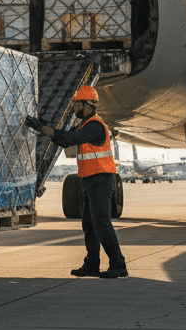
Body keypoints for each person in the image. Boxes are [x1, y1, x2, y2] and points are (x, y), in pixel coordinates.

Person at [26, 85, 128, 278]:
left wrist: (44, 130)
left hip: (101, 180)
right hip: (90, 181)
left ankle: (118, 264)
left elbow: (70, 139)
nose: (74, 108)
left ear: (86, 104)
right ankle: (92, 264)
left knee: (102, 224)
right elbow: (64, 137)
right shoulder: (85, 124)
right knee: (89, 226)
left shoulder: (94, 126)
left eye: (76, 104)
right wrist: (45, 127)